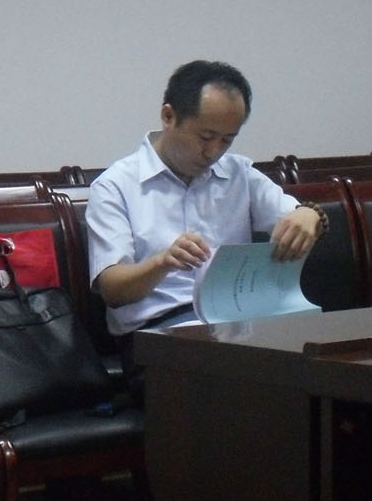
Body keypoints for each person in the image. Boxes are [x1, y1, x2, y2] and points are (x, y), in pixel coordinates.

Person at [83, 61, 323, 334]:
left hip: (238, 323)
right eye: (205, 137)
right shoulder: (115, 186)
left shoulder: (239, 174)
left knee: (322, 344)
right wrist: (162, 262)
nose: (213, 152)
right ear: (168, 116)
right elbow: (113, 290)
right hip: (159, 332)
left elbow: (298, 217)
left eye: (227, 140)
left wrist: (309, 214)